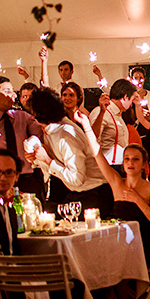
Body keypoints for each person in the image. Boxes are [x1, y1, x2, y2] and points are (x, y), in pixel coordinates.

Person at [0, 148, 85, 299]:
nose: (3, 178)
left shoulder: (10, 207)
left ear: (17, 176)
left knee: (72, 283)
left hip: (14, 277)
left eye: (8, 172)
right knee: (72, 288)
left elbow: (13, 250)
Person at [74, 111, 150, 267]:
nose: (130, 163)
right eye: (127, 159)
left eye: (135, 159)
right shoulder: (117, 181)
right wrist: (86, 125)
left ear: (144, 164)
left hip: (143, 243)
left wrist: (137, 200)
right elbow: (97, 154)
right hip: (117, 242)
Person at [26, 87, 113, 218]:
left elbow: (76, 179)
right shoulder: (52, 130)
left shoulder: (65, 135)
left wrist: (47, 160)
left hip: (94, 194)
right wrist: (37, 158)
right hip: (79, 193)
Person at [90, 78, 137, 165]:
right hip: (104, 168)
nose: (131, 105)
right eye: (131, 100)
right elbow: (92, 138)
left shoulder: (119, 116)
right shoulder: (101, 112)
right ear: (125, 97)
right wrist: (101, 112)